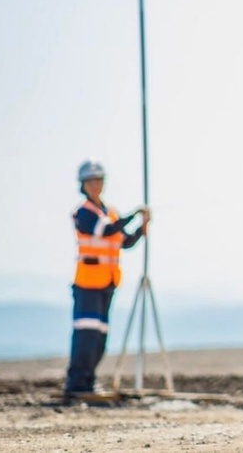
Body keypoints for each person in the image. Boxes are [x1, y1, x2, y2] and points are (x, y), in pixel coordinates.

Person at [65, 160, 149, 398]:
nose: (95, 185)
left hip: (107, 284)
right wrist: (134, 213)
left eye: (99, 180)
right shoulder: (83, 213)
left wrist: (143, 227)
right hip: (87, 284)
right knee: (86, 334)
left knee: (100, 337)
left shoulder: (110, 213)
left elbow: (125, 241)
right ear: (83, 185)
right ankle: (76, 383)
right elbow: (107, 230)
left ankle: (88, 382)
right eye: (91, 181)